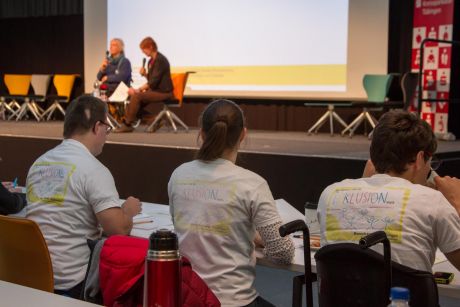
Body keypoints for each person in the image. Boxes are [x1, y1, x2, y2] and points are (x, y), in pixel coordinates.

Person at [168, 99, 295, 307]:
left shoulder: (179, 174)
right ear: (243, 135)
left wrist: (247, 235)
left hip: (187, 297)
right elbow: (283, 252)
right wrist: (261, 240)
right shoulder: (252, 183)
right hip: (233, 301)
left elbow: (186, 225)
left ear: (201, 133)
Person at [26, 95, 142, 298]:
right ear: (97, 127)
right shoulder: (94, 169)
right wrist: (128, 210)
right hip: (73, 282)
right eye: (107, 128)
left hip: (34, 278)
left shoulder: (38, 164)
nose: (107, 135)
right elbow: (118, 230)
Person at [317, 110, 460, 273]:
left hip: (341, 298)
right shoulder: (433, 201)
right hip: (403, 299)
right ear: (420, 158)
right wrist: (458, 204)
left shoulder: (330, 194)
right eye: (430, 162)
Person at [115, 36, 173, 133]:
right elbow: (152, 80)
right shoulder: (151, 61)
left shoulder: (160, 60)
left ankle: (128, 124)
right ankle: (154, 120)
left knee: (136, 97)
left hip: (164, 92)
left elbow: (153, 82)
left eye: (144, 49)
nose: (143, 52)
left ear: (150, 47)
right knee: (133, 100)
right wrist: (145, 74)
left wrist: (139, 89)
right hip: (155, 90)